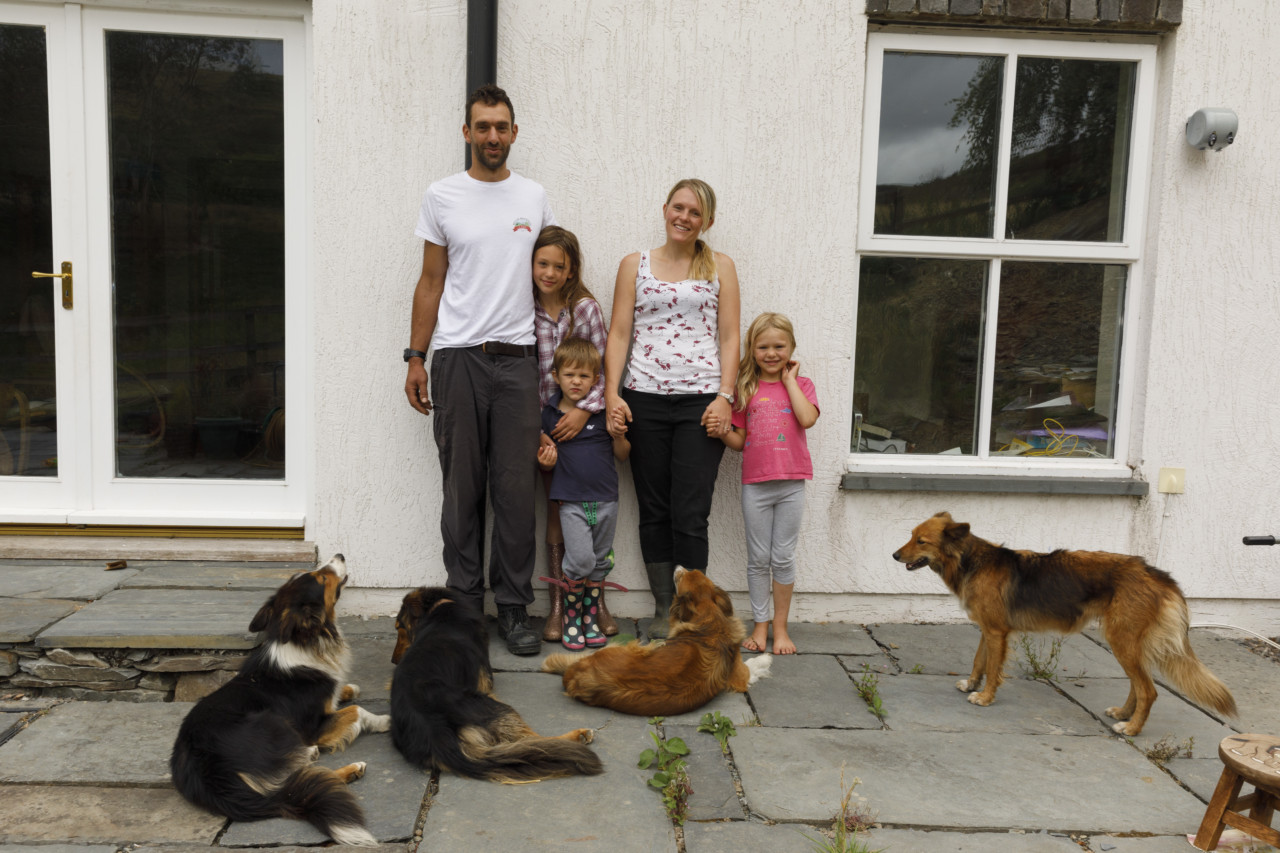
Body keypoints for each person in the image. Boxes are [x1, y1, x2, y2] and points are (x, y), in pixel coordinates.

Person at [403, 84, 554, 656]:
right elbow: (431, 281)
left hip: (518, 360)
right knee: (461, 487)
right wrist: (415, 356)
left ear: (515, 132)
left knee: (515, 491)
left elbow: (550, 275)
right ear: (467, 132)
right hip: (457, 357)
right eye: (483, 126)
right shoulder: (442, 196)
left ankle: (513, 608)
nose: (493, 135)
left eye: (501, 126)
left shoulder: (534, 197)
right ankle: (464, 606)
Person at [603, 178, 740, 639]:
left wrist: (725, 396)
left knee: (691, 510)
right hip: (643, 397)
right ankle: (666, 609)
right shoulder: (634, 265)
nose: (684, 217)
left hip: (702, 403)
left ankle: (693, 612)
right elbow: (619, 332)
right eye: (678, 208)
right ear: (665, 209)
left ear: (707, 221)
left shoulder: (720, 267)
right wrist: (612, 394)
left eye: (695, 212)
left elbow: (730, 336)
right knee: (654, 508)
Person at [708, 312, 819, 655]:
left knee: (783, 557)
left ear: (791, 348)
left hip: (791, 484)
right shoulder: (745, 388)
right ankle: (760, 625)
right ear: (752, 349)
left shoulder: (803, 385)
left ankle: (781, 628)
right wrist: (722, 432)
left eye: (779, 347)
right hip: (755, 485)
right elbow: (740, 442)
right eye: (763, 347)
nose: (771, 354)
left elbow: (807, 418)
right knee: (758, 558)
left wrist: (789, 382)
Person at [530, 226, 619, 641]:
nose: (549, 273)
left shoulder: (584, 309)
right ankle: (560, 605)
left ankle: (594, 602)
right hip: (542, 426)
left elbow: (603, 368)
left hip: (582, 423)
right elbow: (521, 375)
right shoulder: (521, 308)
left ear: (571, 270)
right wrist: (537, 431)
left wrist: (584, 411)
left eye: (558, 266)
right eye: (542, 263)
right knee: (557, 510)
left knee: (593, 517)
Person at [537, 337, 631, 650]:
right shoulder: (549, 414)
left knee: (600, 561)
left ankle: (590, 618)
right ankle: (571, 617)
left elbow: (623, 455)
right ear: (556, 376)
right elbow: (545, 460)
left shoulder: (602, 412)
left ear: (595, 379)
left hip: (606, 499)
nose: (576, 381)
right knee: (579, 559)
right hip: (571, 502)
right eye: (569, 374)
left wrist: (619, 436)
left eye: (584, 375)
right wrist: (545, 462)